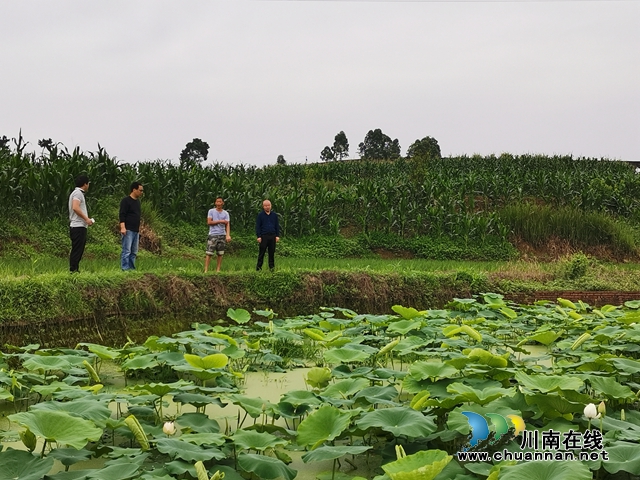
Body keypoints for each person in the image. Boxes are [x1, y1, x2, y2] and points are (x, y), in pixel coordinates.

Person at [68, 175, 95, 273]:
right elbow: (75, 207)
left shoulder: (77, 193)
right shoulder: (78, 193)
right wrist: (86, 219)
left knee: (78, 249)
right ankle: (73, 270)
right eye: (88, 184)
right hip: (78, 226)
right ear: (85, 184)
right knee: (77, 249)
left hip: (78, 226)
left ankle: (75, 269)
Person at [119, 182, 144, 270]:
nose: (141, 192)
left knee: (134, 252)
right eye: (140, 190)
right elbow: (122, 215)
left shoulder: (137, 202)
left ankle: (132, 269)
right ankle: (125, 268)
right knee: (127, 251)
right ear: (134, 189)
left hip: (135, 230)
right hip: (128, 229)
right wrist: (123, 227)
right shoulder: (126, 201)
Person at [204, 196, 231, 273]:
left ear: (223, 203)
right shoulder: (211, 211)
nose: (219, 203)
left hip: (222, 234)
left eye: (220, 202)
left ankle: (218, 270)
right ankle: (206, 270)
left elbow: (227, 224)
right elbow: (209, 222)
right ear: (215, 203)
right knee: (209, 253)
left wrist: (228, 235)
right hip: (213, 234)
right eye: (217, 202)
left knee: (220, 253)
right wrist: (220, 221)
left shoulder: (226, 213)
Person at [255, 199, 280, 271]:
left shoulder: (274, 215)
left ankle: (272, 269)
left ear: (271, 206)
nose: (267, 207)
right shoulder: (260, 215)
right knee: (261, 253)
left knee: (271, 253)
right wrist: (259, 236)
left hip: (272, 236)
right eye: (265, 206)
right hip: (264, 236)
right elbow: (258, 226)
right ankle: (258, 268)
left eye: (268, 205)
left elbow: (277, 226)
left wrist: (277, 236)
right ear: (263, 206)